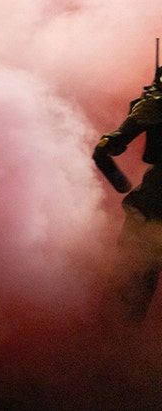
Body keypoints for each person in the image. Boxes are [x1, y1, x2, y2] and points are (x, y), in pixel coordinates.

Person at [94, 76, 162, 322]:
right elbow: (110, 145)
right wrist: (126, 129)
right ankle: (116, 335)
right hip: (153, 201)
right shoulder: (156, 99)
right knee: (136, 261)